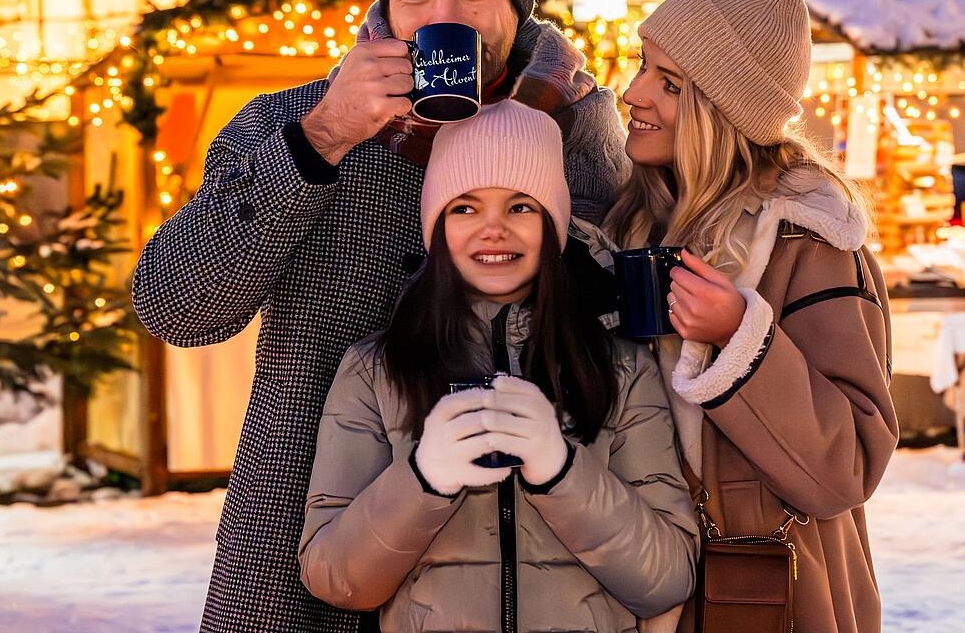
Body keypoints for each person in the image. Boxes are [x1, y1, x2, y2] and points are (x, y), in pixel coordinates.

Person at [131, 0, 629, 633]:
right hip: (304, 547)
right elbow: (177, 307)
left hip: (520, 566)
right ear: (386, 5)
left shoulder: (584, 130)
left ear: (516, 4)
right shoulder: (295, 121)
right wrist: (322, 140)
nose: (442, 13)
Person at [298, 100, 697, 631]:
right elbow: (335, 580)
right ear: (435, 224)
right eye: (464, 207)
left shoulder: (620, 365)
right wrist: (423, 479)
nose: (493, 230)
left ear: (553, 224)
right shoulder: (376, 370)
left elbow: (668, 579)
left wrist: (561, 471)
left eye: (520, 207)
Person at [605, 0, 897, 633]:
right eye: (642, 66)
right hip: (642, 579)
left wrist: (742, 339)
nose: (634, 92)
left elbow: (847, 467)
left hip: (762, 591)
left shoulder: (807, 241)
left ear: (722, 108)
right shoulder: (635, 222)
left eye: (669, 82)